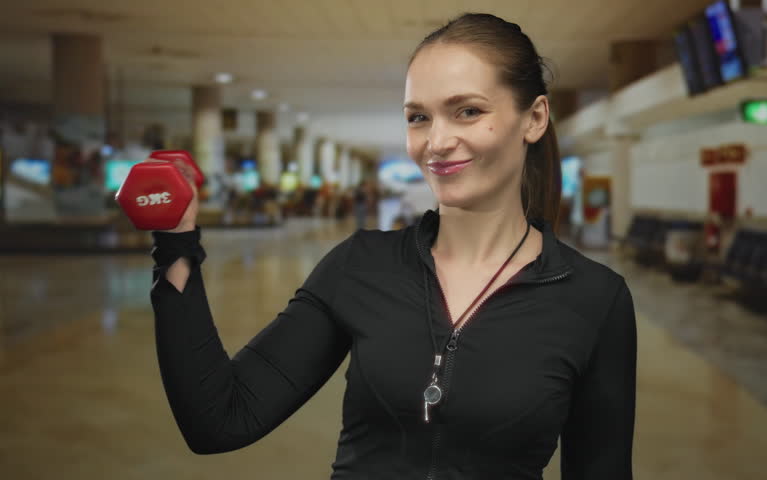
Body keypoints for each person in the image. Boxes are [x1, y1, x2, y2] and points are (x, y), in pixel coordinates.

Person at [148, 13, 636, 479]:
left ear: (534, 118)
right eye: (418, 117)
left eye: (468, 111)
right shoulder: (361, 266)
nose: (437, 141)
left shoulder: (593, 299)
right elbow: (221, 419)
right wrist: (176, 242)